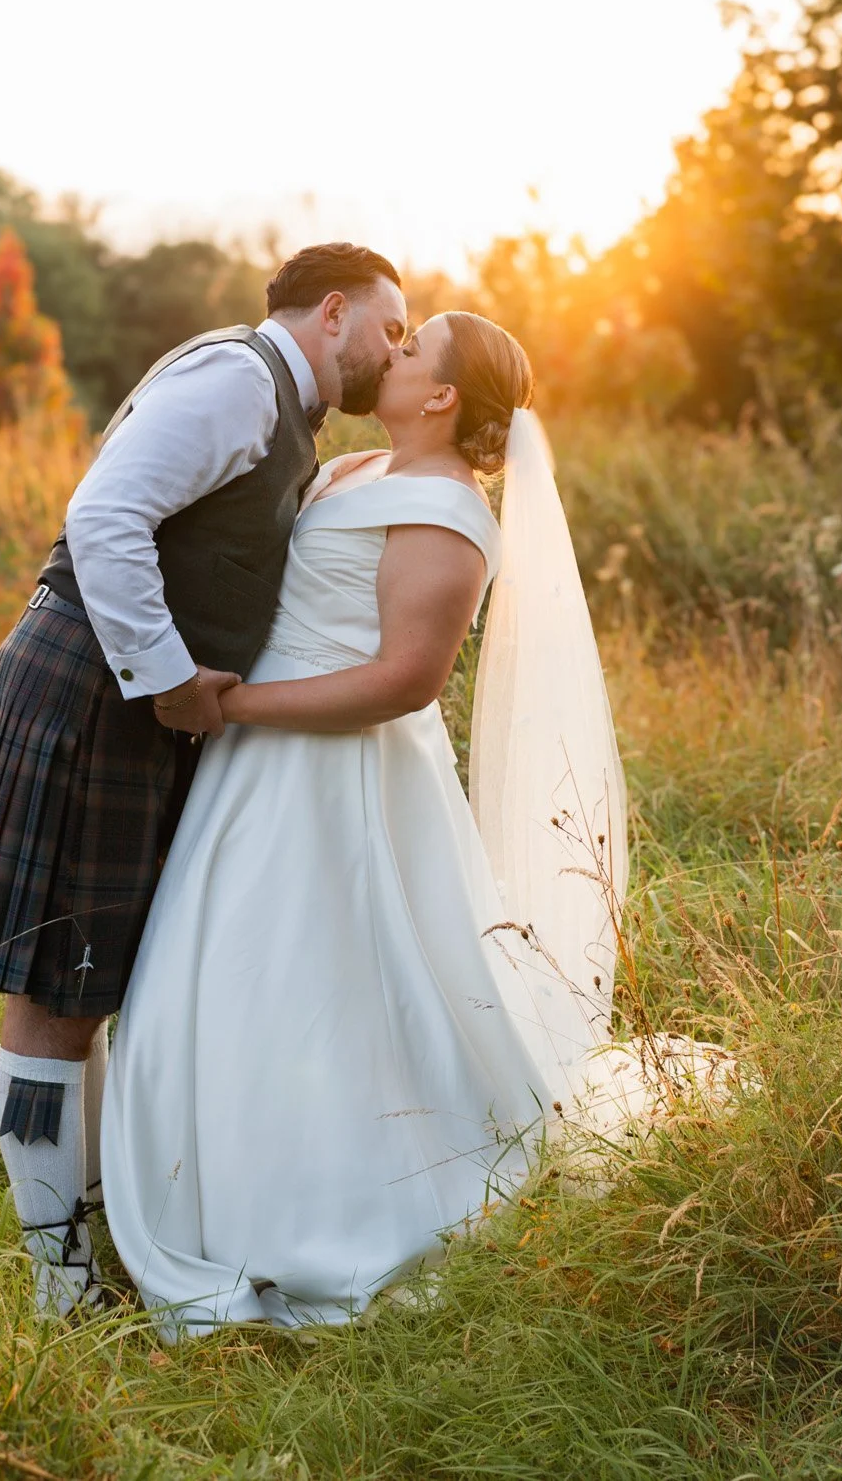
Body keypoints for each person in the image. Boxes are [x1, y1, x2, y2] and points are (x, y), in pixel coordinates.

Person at [0, 244, 409, 1315]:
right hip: (94, 685)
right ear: (335, 311)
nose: (395, 350)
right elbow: (102, 516)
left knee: (85, 990)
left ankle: (96, 1244)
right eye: (391, 327)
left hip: (118, 697)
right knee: (53, 999)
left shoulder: (277, 402)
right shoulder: (237, 378)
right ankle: (60, 1281)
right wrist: (169, 677)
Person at [101, 310, 558, 1336]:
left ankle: (322, 1203)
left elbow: (404, 680)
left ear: (440, 394)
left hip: (330, 773)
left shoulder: (447, 513)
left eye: (409, 352)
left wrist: (231, 705)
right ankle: (209, 1176)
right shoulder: (358, 469)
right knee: (224, 971)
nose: (385, 355)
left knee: (308, 983)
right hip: (254, 765)